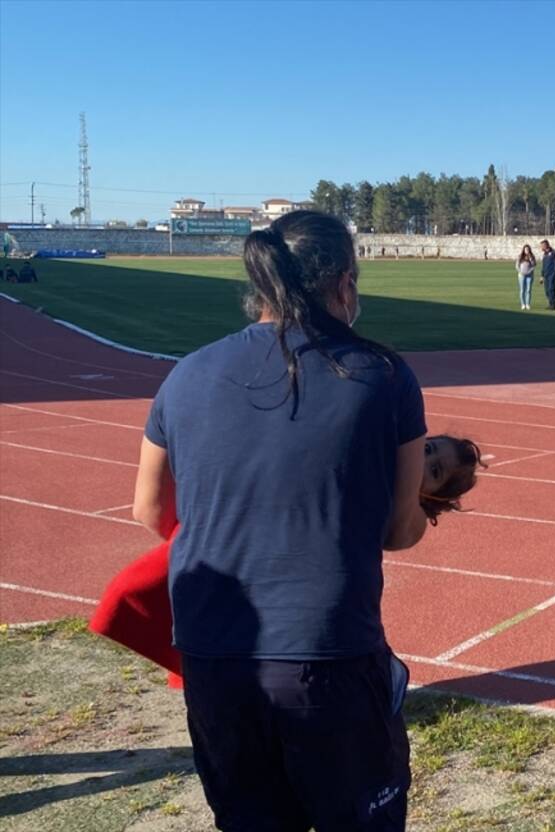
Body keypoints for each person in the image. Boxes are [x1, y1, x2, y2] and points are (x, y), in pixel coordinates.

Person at [130, 210, 427, 831]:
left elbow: (150, 509)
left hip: (212, 652)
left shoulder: (186, 373)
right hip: (326, 653)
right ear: (344, 282)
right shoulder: (382, 374)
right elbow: (399, 531)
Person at [93, 436, 485, 687]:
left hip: (294, 586)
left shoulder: (404, 512)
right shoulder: (372, 448)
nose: (424, 462)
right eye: (429, 449)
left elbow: (405, 532)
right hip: (245, 549)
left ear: (434, 496)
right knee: (196, 623)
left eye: (434, 472)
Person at [539, 239, 555, 310]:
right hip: (546, 275)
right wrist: (542, 275)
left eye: (542, 246)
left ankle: (553, 304)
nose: (541, 247)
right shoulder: (545, 254)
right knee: (547, 290)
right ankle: (550, 303)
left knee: (551, 288)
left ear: (546, 245)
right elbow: (543, 266)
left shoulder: (554, 253)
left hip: (552, 274)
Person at [516, 244, 537, 310]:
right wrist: (520, 271)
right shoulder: (520, 256)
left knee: (528, 290)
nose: (526, 250)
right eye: (525, 249)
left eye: (528, 249)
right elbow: (517, 265)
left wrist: (530, 258)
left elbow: (534, 265)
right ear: (523, 250)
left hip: (529, 275)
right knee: (522, 290)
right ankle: (523, 304)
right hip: (521, 275)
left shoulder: (532, 256)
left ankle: (528, 304)